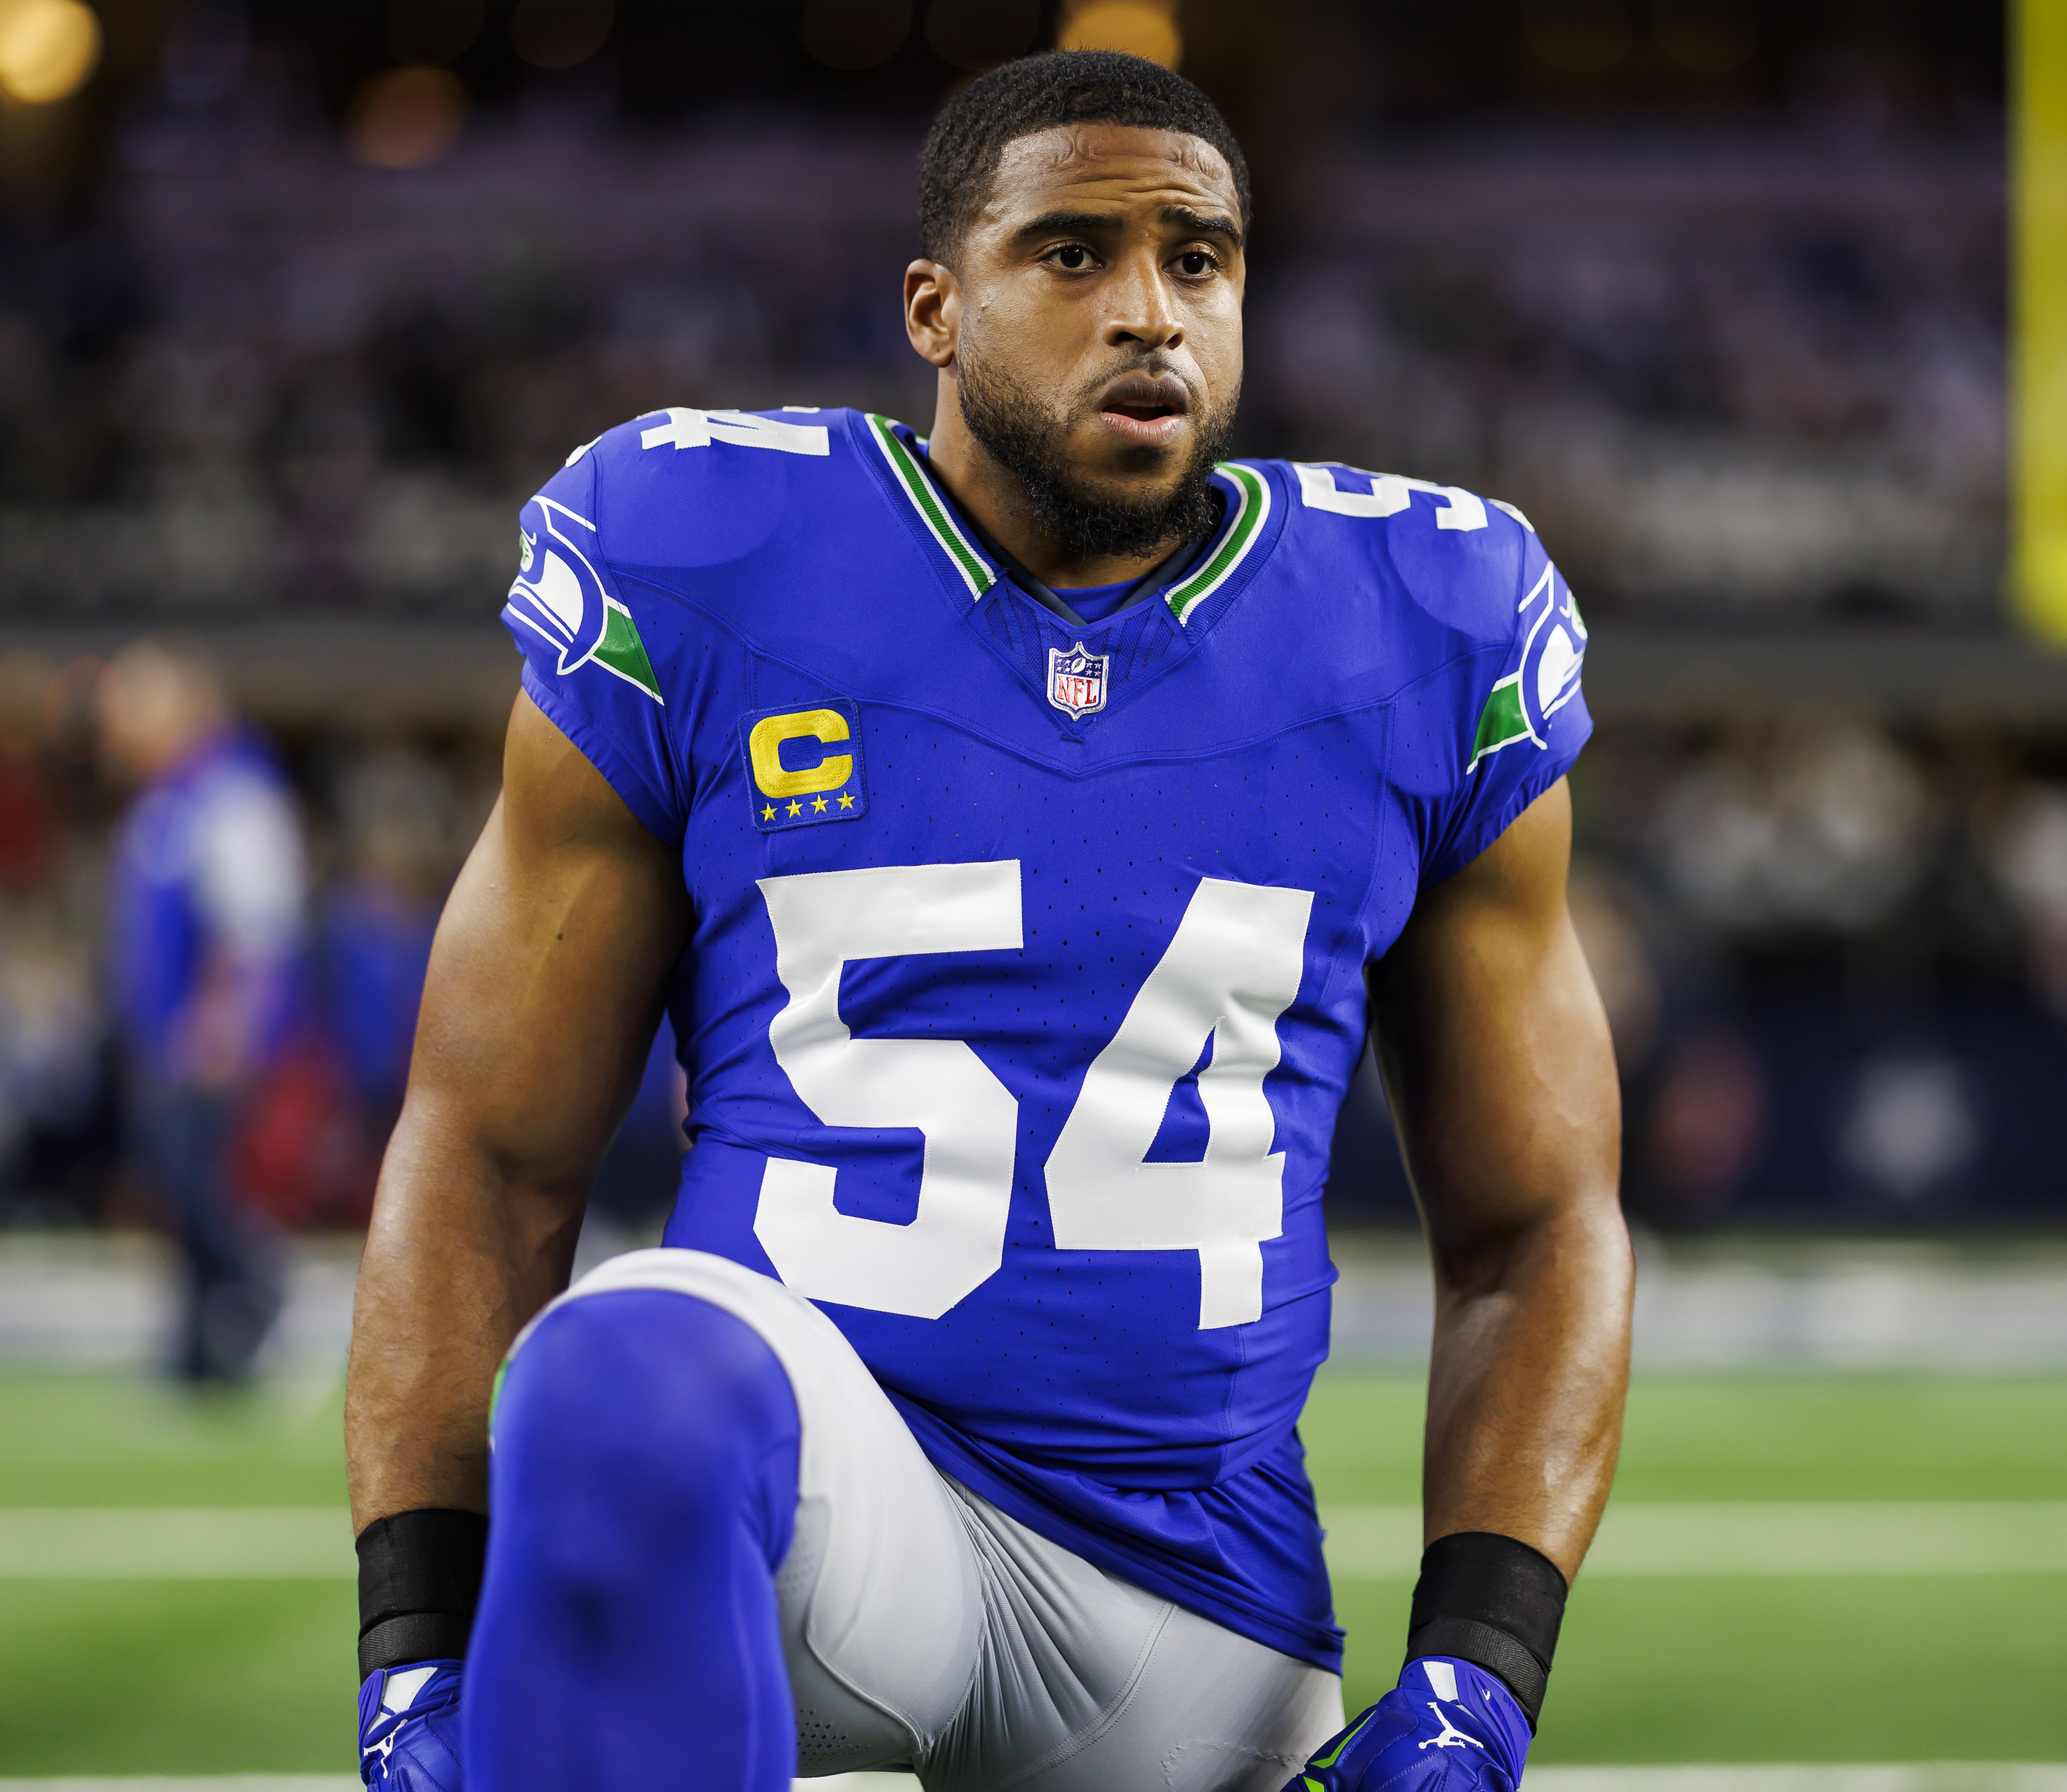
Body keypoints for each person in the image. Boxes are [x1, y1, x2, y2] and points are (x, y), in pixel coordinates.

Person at [345, 49, 1627, 1792]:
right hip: (810, 1518)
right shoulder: (705, 554)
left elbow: (1539, 1226)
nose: (1150, 314)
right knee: (624, 1371)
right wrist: (417, 1646)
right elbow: (485, 1153)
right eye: (1074, 253)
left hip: (1189, 1615)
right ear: (934, 308)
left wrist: (1480, 1673)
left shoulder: (1423, 615)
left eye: (1198, 259)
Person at [102, 640, 306, 1385]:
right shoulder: (169, 795)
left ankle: (259, 1291)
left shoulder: (231, 790)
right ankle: (198, 1352)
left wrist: (226, 1024)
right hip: (164, 1034)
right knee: (172, 1185)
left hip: (208, 1038)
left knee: (197, 1183)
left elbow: (255, 922)